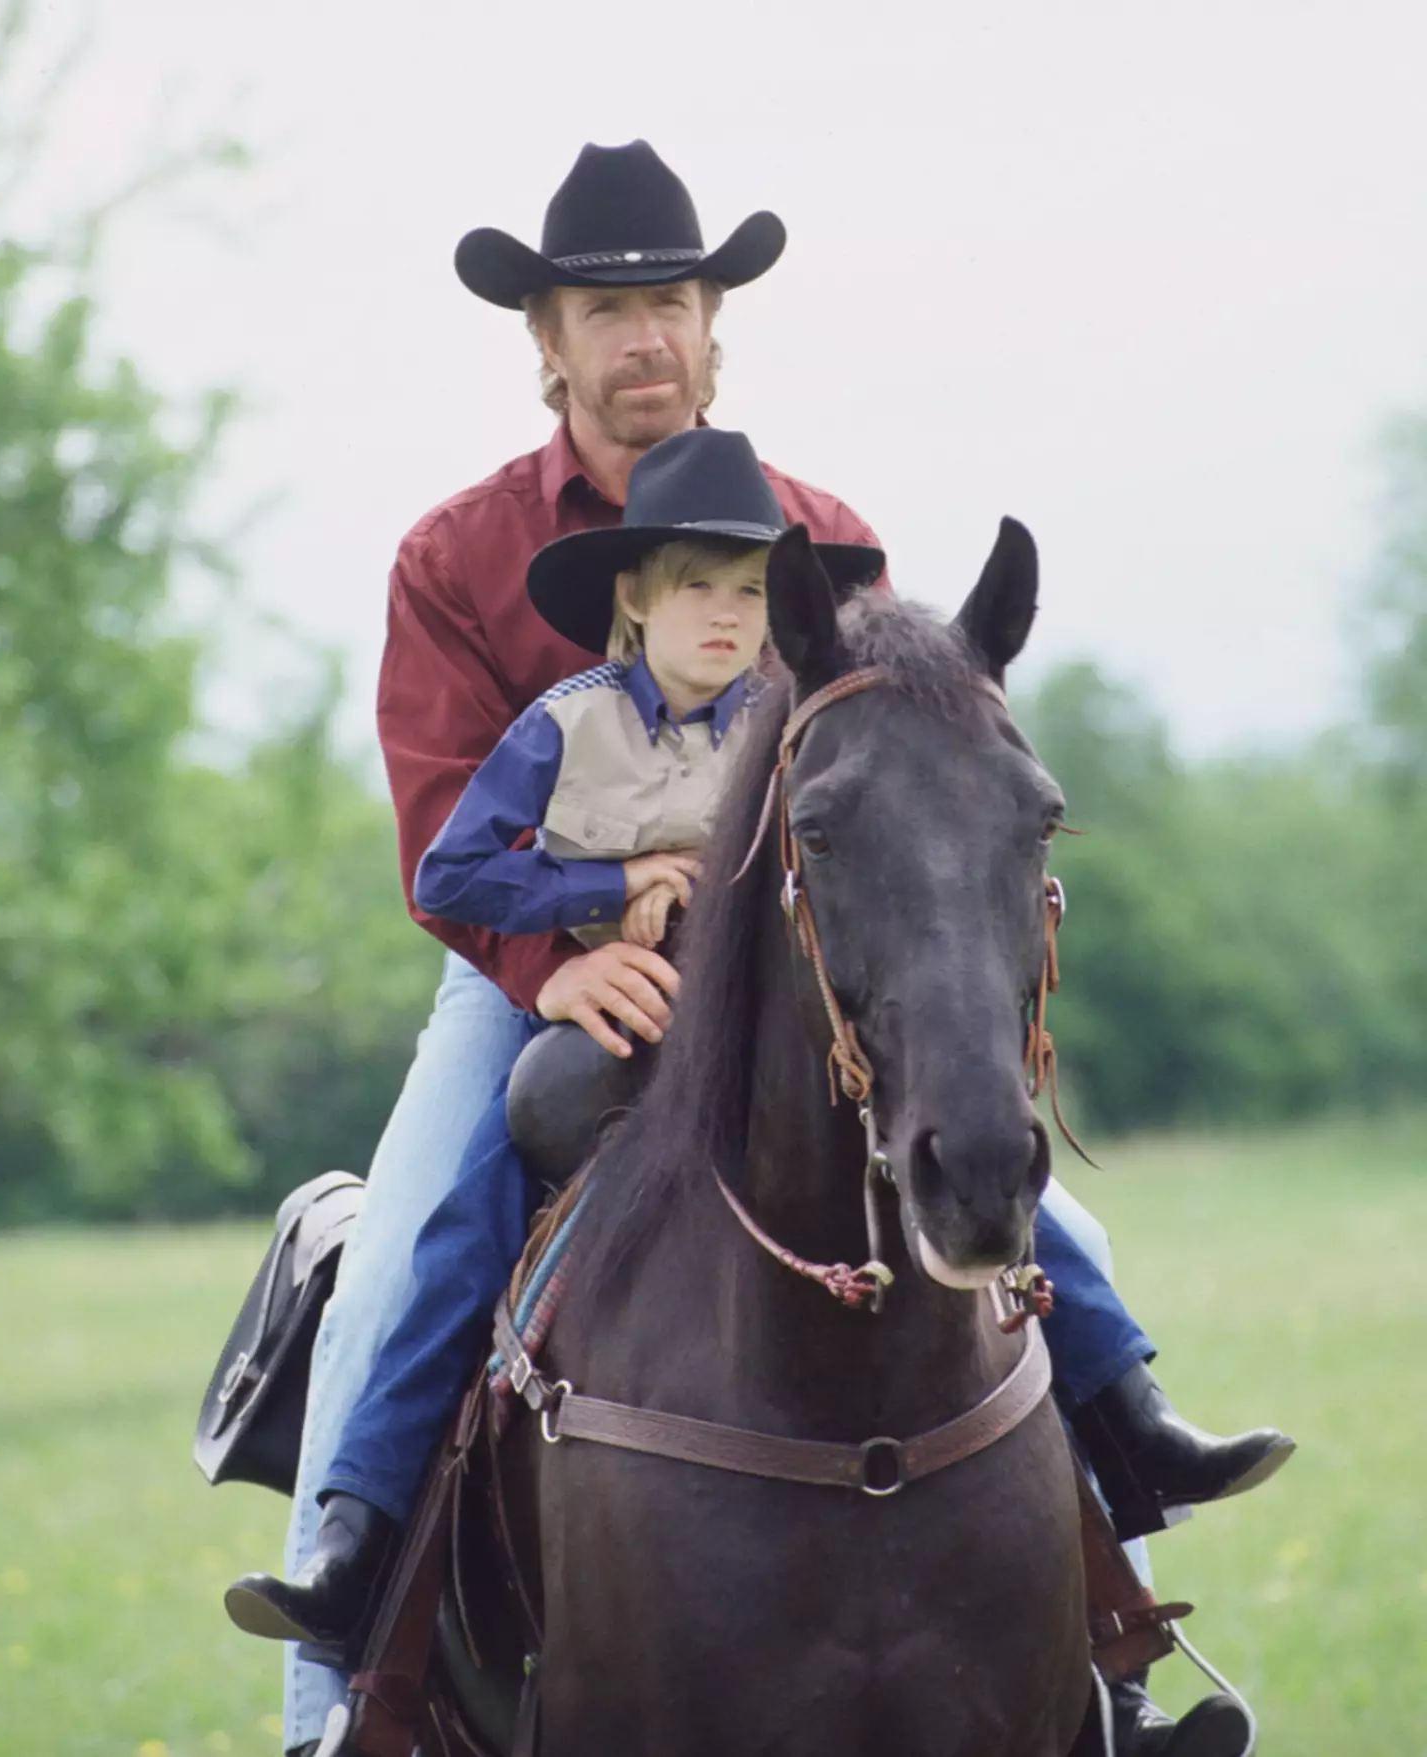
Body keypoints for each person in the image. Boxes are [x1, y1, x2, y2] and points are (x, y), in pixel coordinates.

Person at [257, 142, 1289, 1757]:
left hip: (788, 956)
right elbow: (441, 830)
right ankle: (337, 1671)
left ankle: (1123, 1634)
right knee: (414, 1231)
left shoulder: (826, 539)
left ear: (716, 319)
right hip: (534, 962)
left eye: (670, 298)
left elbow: (893, 787)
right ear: (546, 340)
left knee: (1019, 1197)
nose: (642, 334)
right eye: (603, 307)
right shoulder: (451, 558)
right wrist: (560, 969)